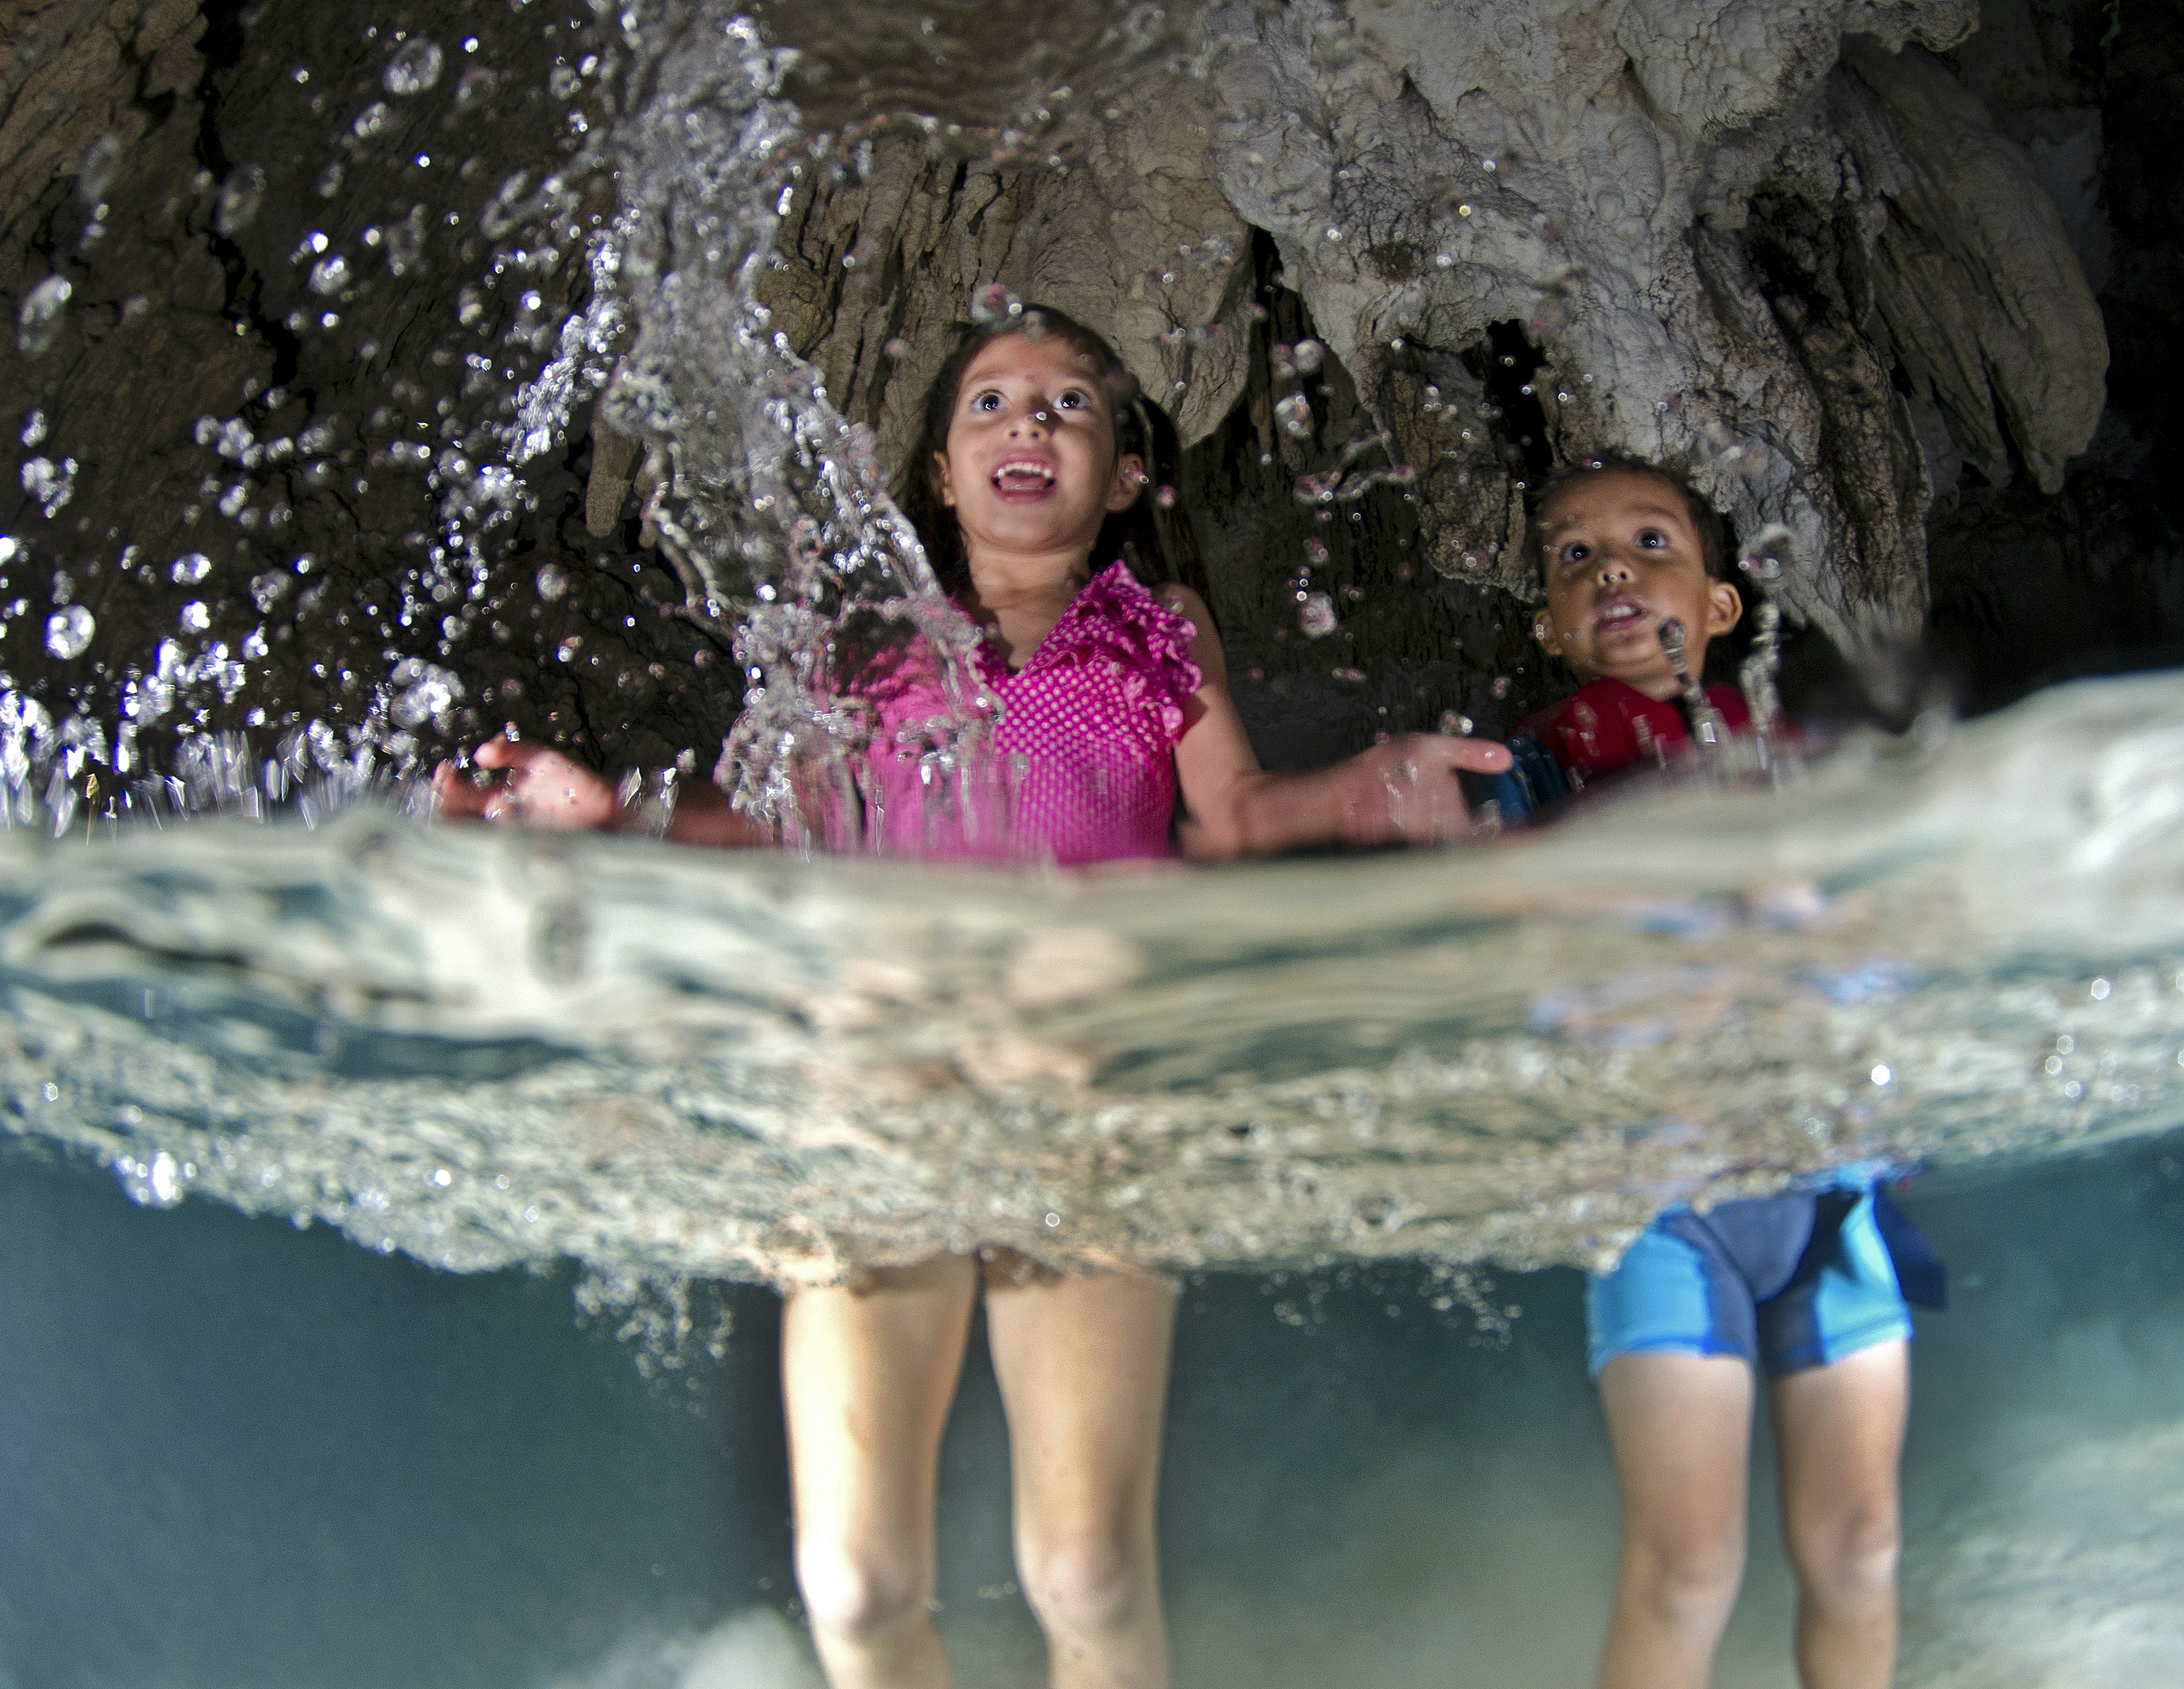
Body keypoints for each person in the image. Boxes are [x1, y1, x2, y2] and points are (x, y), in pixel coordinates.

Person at [436, 304, 1511, 1689]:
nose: (1030, 425)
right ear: (940, 474)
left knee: (1087, 1568)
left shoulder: (1156, 630)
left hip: (1091, 1092)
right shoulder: (861, 646)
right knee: (859, 1581)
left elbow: (1234, 814)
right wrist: (613, 818)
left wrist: (1357, 792)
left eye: (1071, 406)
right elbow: (781, 846)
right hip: (881, 1093)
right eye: (992, 404)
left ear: (1124, 474)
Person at [1500, 453, 1942, 1689]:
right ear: (1550, 623)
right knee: (1689, 1567)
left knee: (1862, 1545)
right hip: (1664, 1201)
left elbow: (1888, 932)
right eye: (1575, 557)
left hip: (1831, 1190)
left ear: (1721, 604)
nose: (1616, 572)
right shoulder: (1535, 775)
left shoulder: (1802, 760)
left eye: (1651, 544)